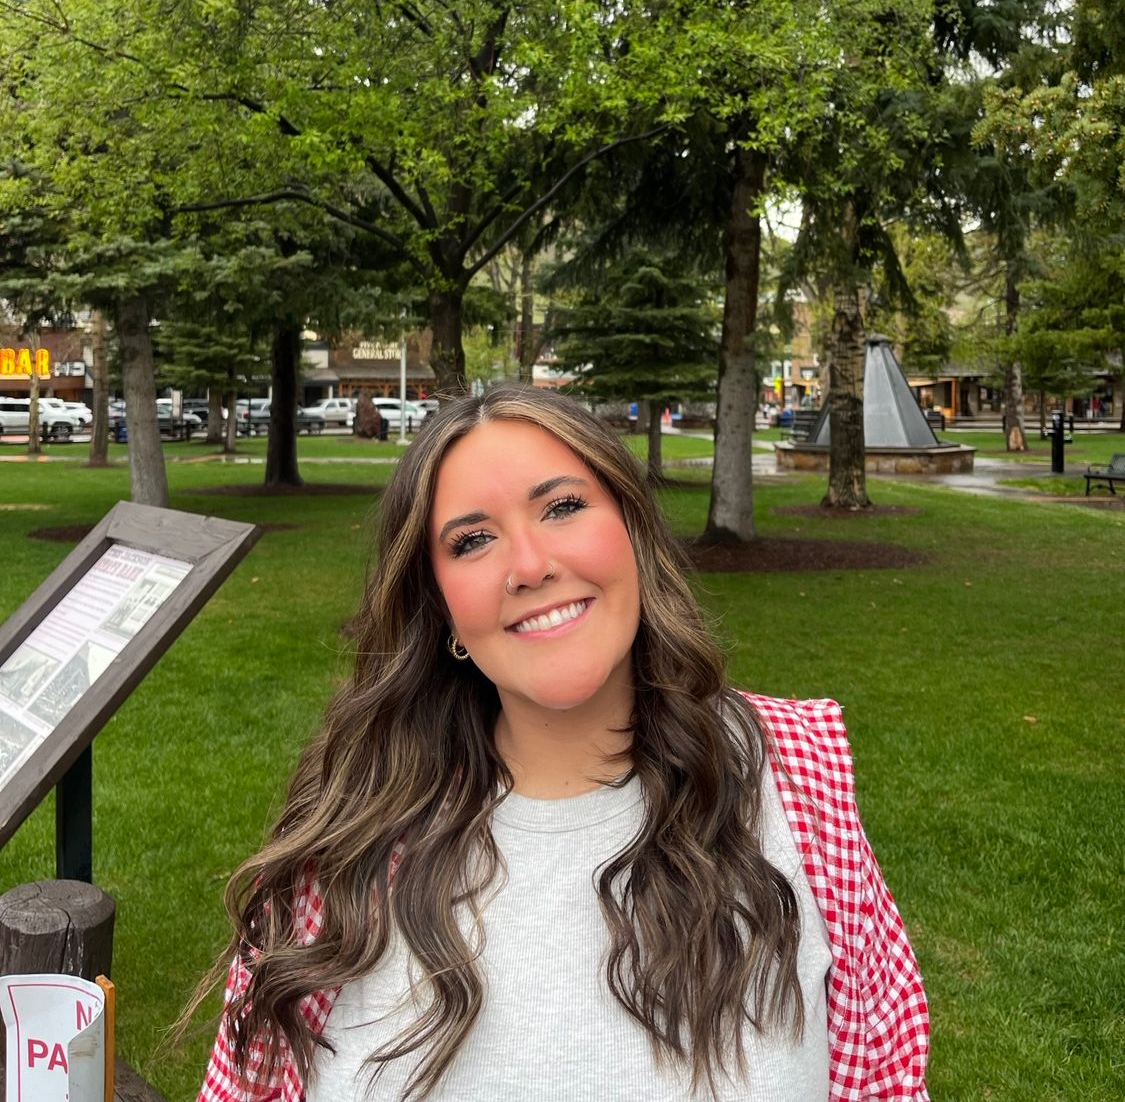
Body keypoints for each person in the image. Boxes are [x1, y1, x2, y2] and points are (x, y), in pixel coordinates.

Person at [196, 386, 929, 1102]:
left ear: (632, 532)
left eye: (563, 506)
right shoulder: (340, 845)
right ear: (440, 605)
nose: (530, 565)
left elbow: (885, 1078)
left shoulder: (796, 778)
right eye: (473, 540)